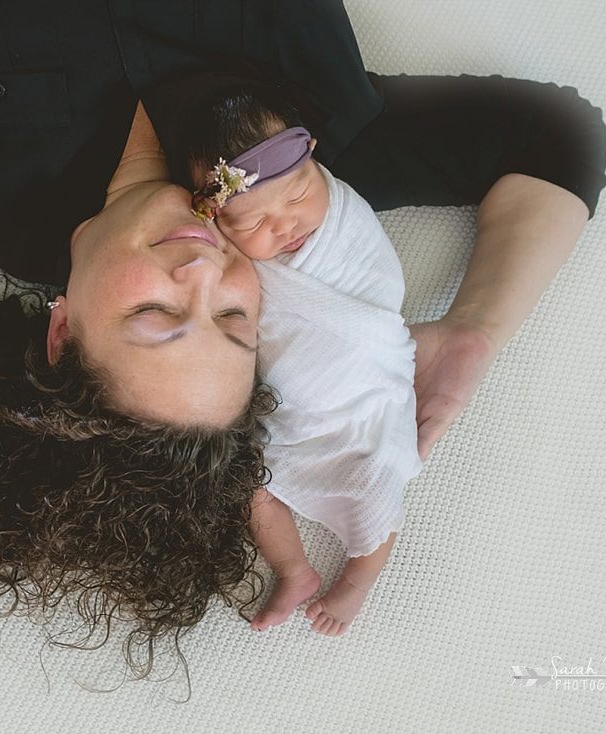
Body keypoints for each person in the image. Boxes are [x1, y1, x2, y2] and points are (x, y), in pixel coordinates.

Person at [0, 0, 606, 666]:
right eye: (234, 319)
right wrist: (474, 333)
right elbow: (556, 140)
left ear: (62, 331)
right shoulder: (307, 170)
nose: (202, 272)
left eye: (154, 315)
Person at [184, 89, 420, 636]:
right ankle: (293, 569)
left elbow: (379, 283)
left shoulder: (341, 221)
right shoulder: (222, 246)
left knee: (375, 485)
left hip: (363, 391)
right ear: (215, 219)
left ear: (314, 156)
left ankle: (359, 580)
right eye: (252, 222)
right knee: (242, 479)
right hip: (283, 414)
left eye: (297, 195)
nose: (286, 225)